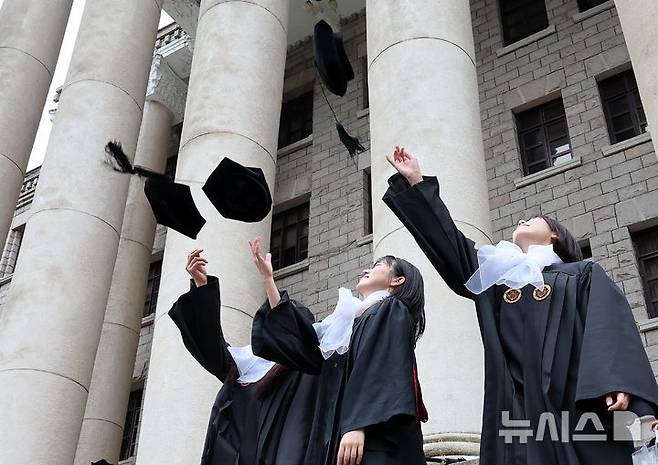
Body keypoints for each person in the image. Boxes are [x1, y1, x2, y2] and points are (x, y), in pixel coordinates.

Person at [382, 146, 658, 465]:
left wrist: (618, 384)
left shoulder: (581, 274)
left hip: (574, 403)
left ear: (555, 235)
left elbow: (609, 327)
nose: (522, 219)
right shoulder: (499, 280)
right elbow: (450, 244)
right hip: (517, 410)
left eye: (535, 219)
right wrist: (417, 183)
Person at [248, 238, 428, 465]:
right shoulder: (346, 324)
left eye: (378, 265)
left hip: (374, 439)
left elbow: (380, 368)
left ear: (397, 280)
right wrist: (268, 280)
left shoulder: (391, 310)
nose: (366, 269)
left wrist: (358, 425)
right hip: (342, 440)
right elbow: (305, 346)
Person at [168, 249, 318, 465]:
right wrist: (202, 287)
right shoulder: (244, 367)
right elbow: (209, 344)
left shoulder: (306, 373)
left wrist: (269, 280)